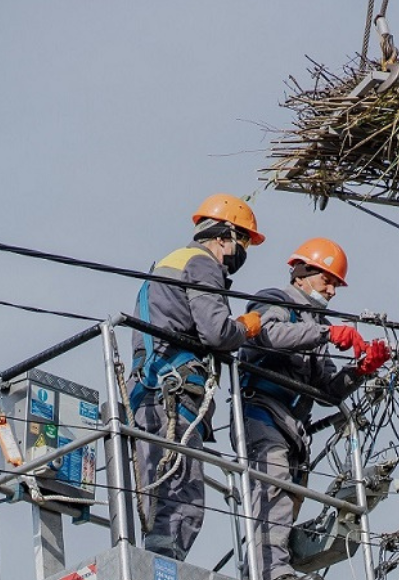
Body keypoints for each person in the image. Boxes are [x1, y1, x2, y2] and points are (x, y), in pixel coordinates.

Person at [235, 237, 392, 580]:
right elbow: (267, 336)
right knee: (271, 484)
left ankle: (261, 570)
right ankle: (271, 571)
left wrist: (361, 370)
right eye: (328, 281)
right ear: (302, 274)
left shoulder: (314, 323)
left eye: (336, 284)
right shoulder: (275, 302)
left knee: (285, 497)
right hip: (261, 409)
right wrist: (326, 333)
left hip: (293, 427)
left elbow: (327, 392)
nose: (333, 291)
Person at [128, 193, 266, 561]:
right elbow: (217, 333)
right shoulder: (203, 264)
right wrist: (246, 328)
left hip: (147, 389)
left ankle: (152, 560)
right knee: (181, 490)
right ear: (223, 236)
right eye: (244, 242)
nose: (243, 252)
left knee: (152, 487)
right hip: (175, 391)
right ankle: (165, 567)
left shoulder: (168, 263)